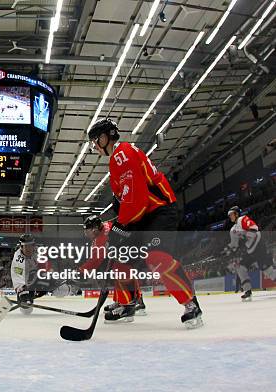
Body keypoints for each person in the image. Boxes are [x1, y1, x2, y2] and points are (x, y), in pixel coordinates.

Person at [88, 118, 202, 328]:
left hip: (159, 211)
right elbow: (126, 200)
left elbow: (137, 199)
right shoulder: (117, 159)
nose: (94, 146)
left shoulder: (121, 154)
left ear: (105, 138)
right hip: (142, 214)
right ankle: (127, 302)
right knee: (122, 257)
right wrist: (118, 223)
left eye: (96, 141)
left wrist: (121, 225)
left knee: (157, 257)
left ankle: (190, 304)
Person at [78, 215, 146, 322]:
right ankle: (124, 301)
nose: (85, 233)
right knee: (118, 269)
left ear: (94, 229)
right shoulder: (106, 226)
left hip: (135, 250)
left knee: (121, 271)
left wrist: (80, 270)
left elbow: (95, 261)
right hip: (132, 247)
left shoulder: (101, 239)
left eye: (87, 230)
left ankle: (128, 306)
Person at [9, 233, 74, 315]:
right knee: (26, 310)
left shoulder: (40, 252)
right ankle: (26, 301)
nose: (28, 249)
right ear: (21, 247)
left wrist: (50, 282)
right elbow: (18, 279)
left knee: (62, 289)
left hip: (38, 277)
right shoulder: (18, 259)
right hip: (26, 283)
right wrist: (23, 293)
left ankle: (72, 290)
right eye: (26, 246)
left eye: (30, 246)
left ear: (34, 245)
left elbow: (46, 268)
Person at [222, 206, 276, 301]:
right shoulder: (232, 230)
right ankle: (247, 291)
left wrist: (245, 240)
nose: (230, 216)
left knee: (267, 269)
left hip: (259, 246)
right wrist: (226, 250)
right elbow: (234, 244)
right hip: (249, 250)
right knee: (240, 267)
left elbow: (254, 228)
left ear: (237, 213)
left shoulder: (243, 219)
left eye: (231, 214)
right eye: (229, 215)